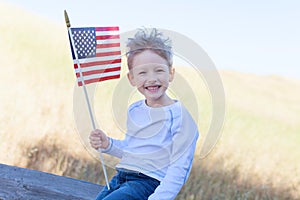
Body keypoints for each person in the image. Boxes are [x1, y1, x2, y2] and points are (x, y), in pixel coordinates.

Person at [89, 28, 199, 200]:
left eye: (159, 70)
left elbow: (179, 169)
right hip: (120, 178)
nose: (152, 78)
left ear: (171, 73)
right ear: (132, 78)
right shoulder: (135, 110)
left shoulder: (180, 117)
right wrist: (108, 144)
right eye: (142, 72)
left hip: (147, 183)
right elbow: (133, 151)